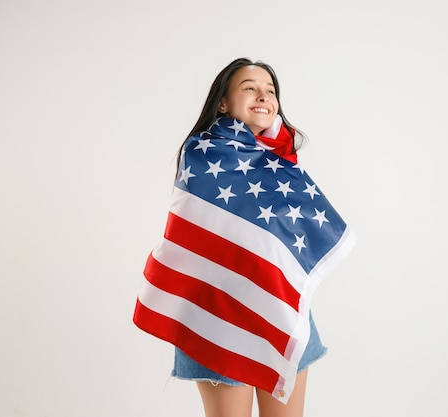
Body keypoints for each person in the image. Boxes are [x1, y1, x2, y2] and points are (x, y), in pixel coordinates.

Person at [133, 58, 355, 417]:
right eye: (250, 87)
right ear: (223, 102)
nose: (263, 96)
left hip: (281, 308)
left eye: (270, 90)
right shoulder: (203, 154)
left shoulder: (283, 161)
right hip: (219, 314)